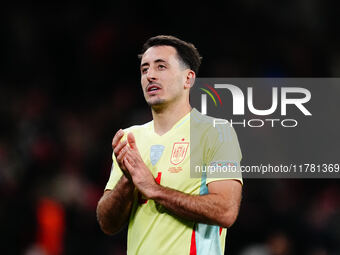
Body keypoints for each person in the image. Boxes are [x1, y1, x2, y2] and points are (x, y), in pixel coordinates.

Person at [96, 35, 243, 255]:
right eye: (144, 70)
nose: (150, 75)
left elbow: (226, 211)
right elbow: (108, 224)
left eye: (161, 66)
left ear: (188, 79)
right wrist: (128, 180)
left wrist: (154, 190)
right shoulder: (130, 138)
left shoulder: (215, 132)